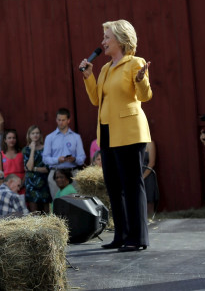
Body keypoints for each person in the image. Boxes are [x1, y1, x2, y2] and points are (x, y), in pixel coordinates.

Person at [80, 19, 152, 252]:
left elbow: (145, 96)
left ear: (120, 40)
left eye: (107, 38)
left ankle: (138, 237)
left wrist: (141, 80)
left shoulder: (135, 63)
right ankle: (121, 234)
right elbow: (95, 100)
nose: (102, 42)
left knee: (132, 185)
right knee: (113, 186)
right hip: (107, 131)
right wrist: (88, 76)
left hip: (129, 131)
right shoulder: (104, 68)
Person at [42, 108, 86, 200]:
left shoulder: (76, 137)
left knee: (76, 202)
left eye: (63, 120)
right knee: (58, 202)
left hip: (72, 172)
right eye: (59, 120)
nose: (61, 122)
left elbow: (82, 158)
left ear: (68, 120)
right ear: (56, 120)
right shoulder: (50, 137)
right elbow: (45, 159)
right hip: (56, 173)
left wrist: (74, 159)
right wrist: (57, 159)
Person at [22, 125, 51, 213]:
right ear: (29, 135)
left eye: (37, 133)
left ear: (40, 135)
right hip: (31, 183)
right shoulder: (26, 150)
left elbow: (47, 169)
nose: (35, 135)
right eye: (33, 133)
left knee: (46, 211)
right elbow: (28, 166)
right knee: (34, 212)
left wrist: (33, 169)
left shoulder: (45, 148)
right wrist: (32, 150)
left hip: (44, 182)